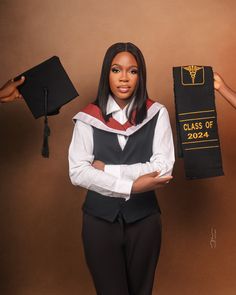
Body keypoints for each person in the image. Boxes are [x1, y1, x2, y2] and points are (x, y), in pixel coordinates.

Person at [68, 42, 175, 295]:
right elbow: (78, 172)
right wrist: (132, 185)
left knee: (142, 291)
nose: (124, 78)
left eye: (133, 71)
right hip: (99, 222)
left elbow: (163, 167)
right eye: (116, 70)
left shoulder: (157, 113)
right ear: (107, 74)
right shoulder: (87, 118)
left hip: (145, 221)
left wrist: (109, 171)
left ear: (141, 75)